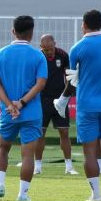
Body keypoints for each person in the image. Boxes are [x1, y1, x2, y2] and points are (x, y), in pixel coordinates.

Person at [0, 15, 47, 201]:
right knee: (28, 153)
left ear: (13, 31)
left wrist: (9, 104)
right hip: (30, 111)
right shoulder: (38, 55)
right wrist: (21, 103)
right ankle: (23, 194)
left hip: (8, 112)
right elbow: (40, 84)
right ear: (31, 33)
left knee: (3, 147)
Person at [68, 9, 101, 201]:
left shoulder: (77, 48)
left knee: (89, 152)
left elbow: (71, 80)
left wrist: (62, 99)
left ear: (83, 24)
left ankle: (95, 194)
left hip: (86, 105)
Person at [36, 34, 76, 176]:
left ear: (55, 44)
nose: (49, 52)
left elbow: (69, 78)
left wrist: (65, 97)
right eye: (46, 50)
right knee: (40, 133)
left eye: (51, 48)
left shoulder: (63, 55)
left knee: (64, 132)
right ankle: (38, 166)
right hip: (42, 99)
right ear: (41, 48)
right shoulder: (37, 57)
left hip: (60, 100)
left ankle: (69, 166)